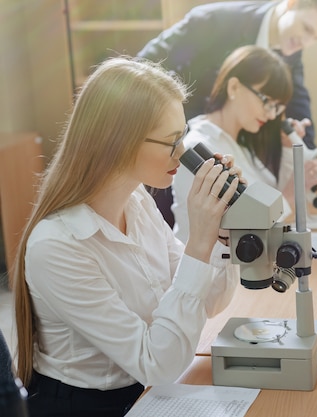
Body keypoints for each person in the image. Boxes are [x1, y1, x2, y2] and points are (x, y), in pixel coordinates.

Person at [12, 56, 244, 417]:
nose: (182, 153)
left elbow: (208, 303)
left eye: (183, 136)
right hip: (87, 405)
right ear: (116, 142)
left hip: (147, 388)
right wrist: (199, 242)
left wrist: (222, 235)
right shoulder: (57, 246)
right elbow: (157, 363)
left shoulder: (138, 202)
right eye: (171, 141)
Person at [172, 45, 317, 241]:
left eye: (277, 107)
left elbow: (275, 195)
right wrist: (291, 194)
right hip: (214, 267)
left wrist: (286, 150)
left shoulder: (239, 142)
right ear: (234, 87)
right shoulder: (201, 150)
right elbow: (253, 223)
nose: (271, 114)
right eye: (267, 101)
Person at [137, 0, 317, 150]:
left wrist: (308, 154)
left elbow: (298, 100)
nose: (306, 42)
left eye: (316, 39)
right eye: (307, 29)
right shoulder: (215, 21)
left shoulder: (293, 45)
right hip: (174, 137)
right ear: (291, 4)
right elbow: (144, 64)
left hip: (228, 147)